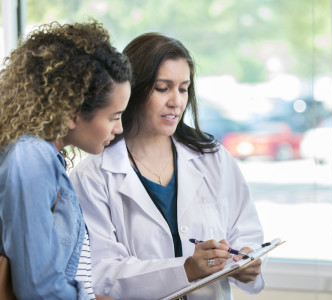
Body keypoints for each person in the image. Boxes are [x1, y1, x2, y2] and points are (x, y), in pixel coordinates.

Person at [70, 32, 266, 299]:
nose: (176, 101)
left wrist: (247, 261)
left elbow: (246, 232)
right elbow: (101, 273)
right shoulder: (94, 175)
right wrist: (185, 270)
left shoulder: (213, 158)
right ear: (133, 90)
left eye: (183, 88)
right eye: (163, 88)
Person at [0, 20, 132, 299]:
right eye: (114, 116)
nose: (118, 129)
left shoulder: (47, 158)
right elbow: (38, 287)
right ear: (72, 112)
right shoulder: (31, 158)